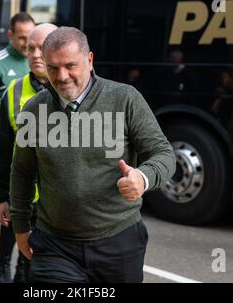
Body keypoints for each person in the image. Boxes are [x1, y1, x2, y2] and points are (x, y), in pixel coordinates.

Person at [10, 27, 176, 283]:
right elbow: (22, 171)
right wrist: (21, 227)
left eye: (70, 66)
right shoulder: (34, 109)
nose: (62, 76)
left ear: (89, 60)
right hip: (54, 245)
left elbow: (164, 154)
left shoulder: (125, 99)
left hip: (118, 241)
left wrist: (142, 178)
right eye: (53, 68)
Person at [0, 23, 57, 283]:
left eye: (43, 47)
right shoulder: (14, 91)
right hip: (20, 198)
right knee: (17, 253)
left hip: (58, 204)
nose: (37, 54)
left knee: (35, 267)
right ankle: (3, 268)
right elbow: (3, 150)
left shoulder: (74, 89)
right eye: (31, 48)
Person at [0, 12, 35, 125]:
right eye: (22, 38)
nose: (27, 43)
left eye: (30, 37)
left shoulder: (42, 61)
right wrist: (6, 131)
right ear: (10, 35)